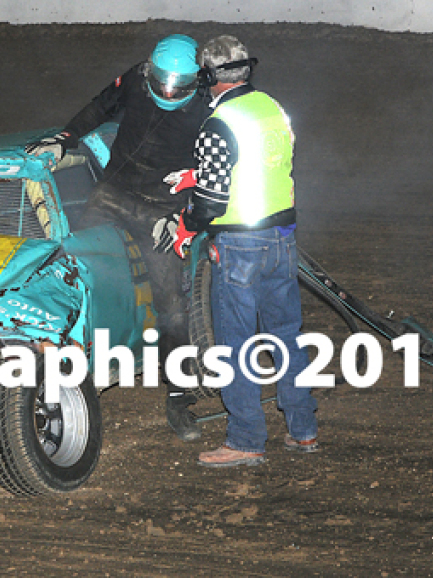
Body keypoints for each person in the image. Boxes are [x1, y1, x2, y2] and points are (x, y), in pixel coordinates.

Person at [25, 34, 211, 442]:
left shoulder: (209, 106)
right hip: (113, 194)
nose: (167, 92)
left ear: (196, 80)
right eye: (161, 83)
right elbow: (99, 106)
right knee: (74, 269)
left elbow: (217, 171)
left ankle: (179, 396)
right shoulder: (135, 80)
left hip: (163, 209)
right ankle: (67, 363)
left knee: (171, 303)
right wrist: (65, 139)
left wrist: (183, 215)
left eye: (177, 87)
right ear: (150, 71)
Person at [153, 35, 319, 466]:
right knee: (286, 335)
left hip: (240, 245)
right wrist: (198, 173)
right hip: (281, 239)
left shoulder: (218, 122)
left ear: (207, 76)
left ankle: (245, 439)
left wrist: (186, 226)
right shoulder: (272, 108)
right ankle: (303, 429)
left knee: (235, 343)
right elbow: (261, 163)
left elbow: (211, 201)